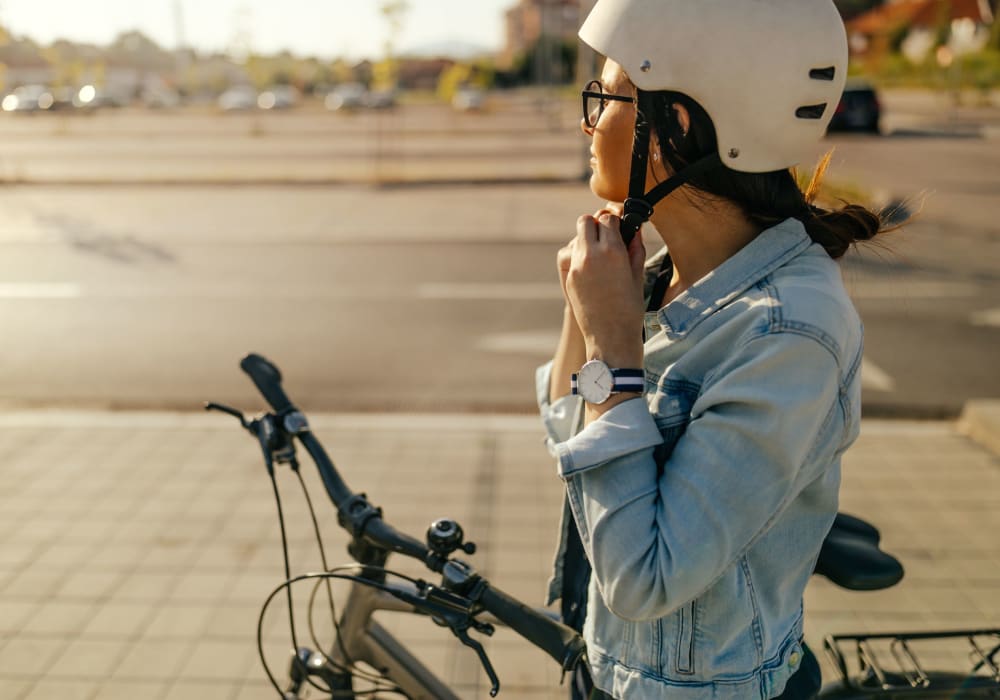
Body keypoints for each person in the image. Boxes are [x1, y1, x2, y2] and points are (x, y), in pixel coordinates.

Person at [535, 1, 893, 698]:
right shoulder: (666, 273)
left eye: (606, 97)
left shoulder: (788, 331)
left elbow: (644, 580)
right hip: (605, 668)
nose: (588, 121)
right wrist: (589, 309)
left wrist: (612, 344)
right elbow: (563, 427)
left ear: (679, 126)